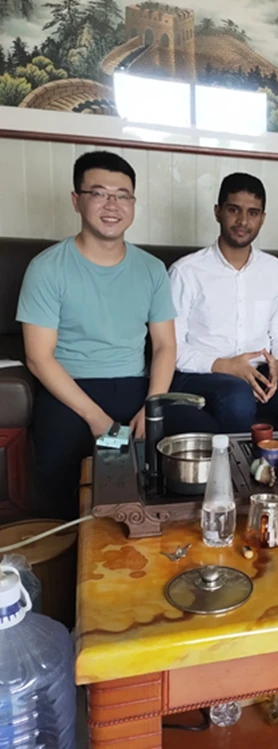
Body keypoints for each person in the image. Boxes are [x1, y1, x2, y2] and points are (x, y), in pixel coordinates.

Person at [17, 151, 179, 519]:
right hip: (70, 387)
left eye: (122, 195)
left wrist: (152, 407)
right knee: (60, 459)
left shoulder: (152, 269)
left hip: (136, 386)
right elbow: (38, 358)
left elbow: (165, 345)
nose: (112, 205)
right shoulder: (47, 268)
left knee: (195, 438)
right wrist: (96, 419)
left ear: (133, 203)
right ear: (76, 200)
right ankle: (75, 542)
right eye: (99, 193)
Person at [169, 173, 278, 433]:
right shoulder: (186, 272)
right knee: (237, 396)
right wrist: (225, 366)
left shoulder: (275, 270)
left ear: (262, 218)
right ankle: (238, 461)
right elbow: (171, 347)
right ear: (218, 212)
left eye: (253, 213)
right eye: (234, 210)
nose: (243, 221)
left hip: (259, 374)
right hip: (202, 374)